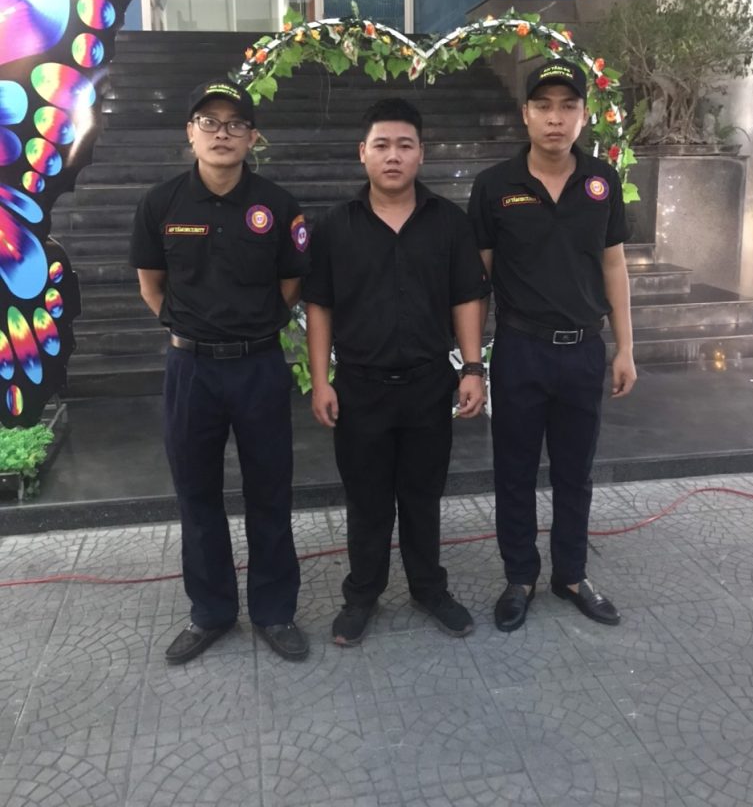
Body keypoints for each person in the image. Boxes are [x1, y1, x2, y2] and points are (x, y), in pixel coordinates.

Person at [130, 78, 310, 664]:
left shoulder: (278, 205)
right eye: (209, 122)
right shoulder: (160, 204)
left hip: (259, 365)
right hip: (191, 369)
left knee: (270, 492)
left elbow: (291, 283)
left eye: (235, 124)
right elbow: (151, 285)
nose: (222, 133)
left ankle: (274, 611)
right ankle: (211, 611)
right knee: (196, 494)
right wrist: (190, 328)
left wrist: (254, 325)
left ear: (252, 137)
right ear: (190, 133)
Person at [304, 97, 490, 646]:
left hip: (428, 385)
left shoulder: (448, 222)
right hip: (359, 387)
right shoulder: (335, 226)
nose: (393, 156)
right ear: (362, 153)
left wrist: (473, 368)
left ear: (421, 154)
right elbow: (320, 306)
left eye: (404, 145)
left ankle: (429, 588)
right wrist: (321, 380)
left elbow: (466, 297)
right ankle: (362, 594)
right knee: (366, 501)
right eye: (382, 145)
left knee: (422, 496)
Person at [468, 60, 637, 633]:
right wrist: (473, 362)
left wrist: (625, 347)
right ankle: (519, 577)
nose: (555, 118)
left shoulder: (601, 182)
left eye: (568, 107)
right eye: (543, 106)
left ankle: (571, 574)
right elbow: (478, 280)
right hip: (521, 349)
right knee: (514, 471)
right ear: (526, 114)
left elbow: (614, 266)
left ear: (584, 116)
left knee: (575, 472)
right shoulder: (494, 186)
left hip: (584, 350)